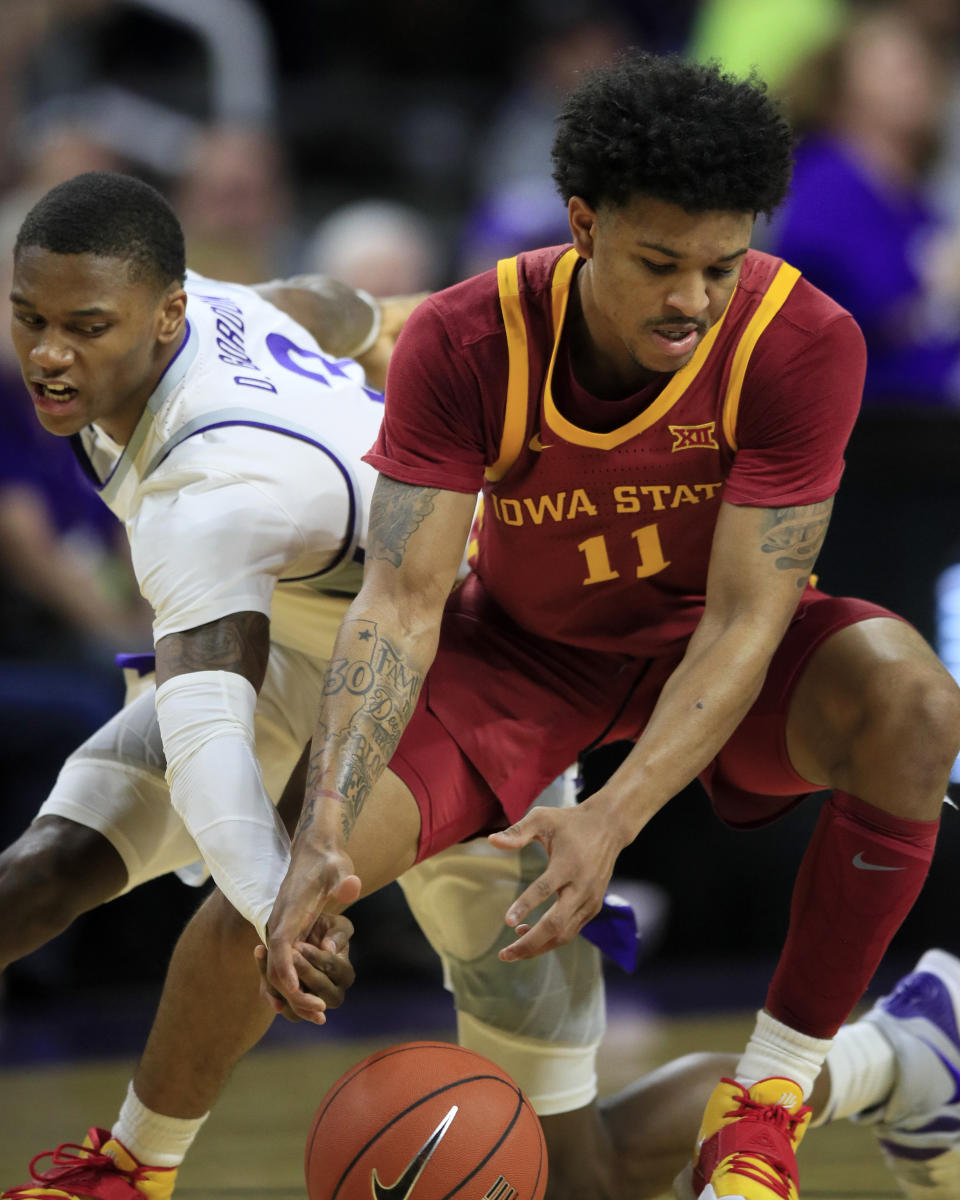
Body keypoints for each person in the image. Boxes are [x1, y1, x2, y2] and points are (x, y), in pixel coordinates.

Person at [259, 52, 960, 1200]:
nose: (691, 297)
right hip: (523, 656)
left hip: (703, 651)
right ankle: (138, 1156)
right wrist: (324, 826)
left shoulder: (802, 340)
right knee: (298, 880)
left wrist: (616, 822)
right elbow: (403, 601)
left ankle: (773, 1098)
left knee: (915, 702)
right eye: (659, 262)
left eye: (721, 266)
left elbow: (745, 620)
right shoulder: (467, 332)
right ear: (582, 225)